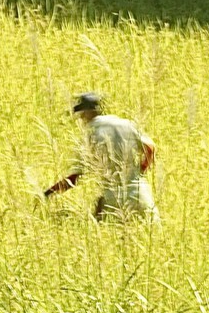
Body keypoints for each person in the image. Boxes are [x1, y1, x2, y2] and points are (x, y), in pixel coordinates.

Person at [44, 93, 159, 221]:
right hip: (141, 194)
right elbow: (150, 148)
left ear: (86, 113)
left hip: (114, 200)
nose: (81, 118)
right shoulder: (126, 124)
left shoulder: (90, 133)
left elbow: (74, 178)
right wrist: (141, 170)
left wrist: (48, 193)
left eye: (82, 114)